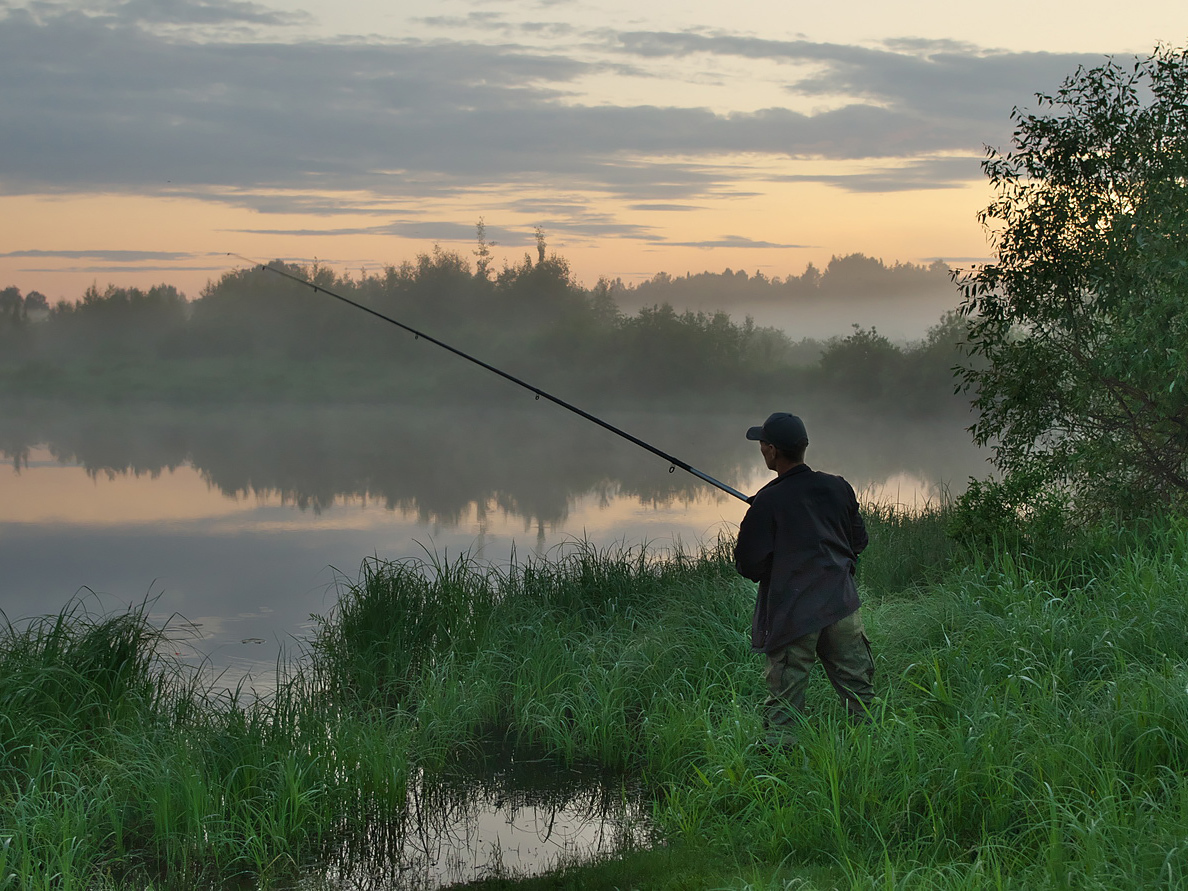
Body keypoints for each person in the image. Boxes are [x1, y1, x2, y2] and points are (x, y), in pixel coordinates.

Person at [734, 412, 874, 749]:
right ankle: (867, 753)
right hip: (841, 606)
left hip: (793, 616)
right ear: (803, 447)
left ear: (770, 451)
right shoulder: (838, 486)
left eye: (762, 444)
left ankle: (781, 777)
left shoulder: (768, 500)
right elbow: (859, 541)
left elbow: (749, 565)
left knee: (784, 705)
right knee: (860, 694)